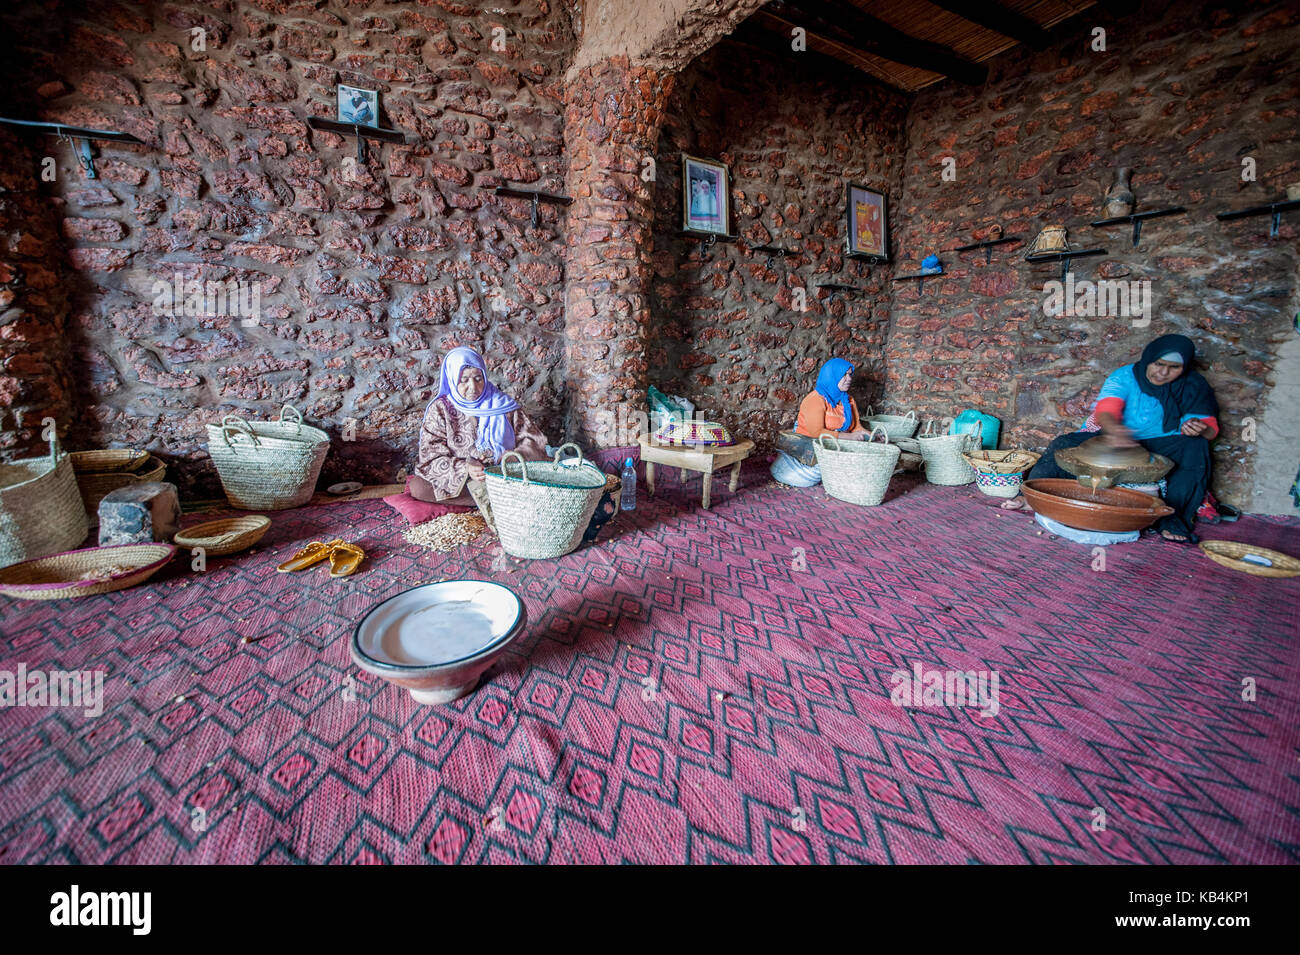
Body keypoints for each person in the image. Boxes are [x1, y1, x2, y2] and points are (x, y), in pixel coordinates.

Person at [1005, 334, 1219, 544]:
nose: (1163, 372)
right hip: (1116, 435)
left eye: (1174, 368)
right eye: (1158, 364)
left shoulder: (1193, 385)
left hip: (1165, 443)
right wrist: (1116, 431)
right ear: (1149, 358)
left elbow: (1210, 429)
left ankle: (1171, 519)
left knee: (1196, 447)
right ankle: (1031, 498)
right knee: (1064, 443)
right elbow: (1106, 410)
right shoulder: (1125, 377)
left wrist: (1199, 429)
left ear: (1184, 368)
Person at [412, 347, 549, 523]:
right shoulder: (440, 409)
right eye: (464, 380)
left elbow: (533, 439)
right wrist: (466, 469)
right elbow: (431, 453)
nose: (473, 387)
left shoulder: (502, 403)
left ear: (485, 376)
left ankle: (490, 496)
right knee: (419, 487)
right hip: (465, 477)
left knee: (536, 472)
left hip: (504, 473)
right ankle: (496, 497)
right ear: (452, 379)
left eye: (478, 379)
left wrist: (514, 457)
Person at [796, 357, 871, 440]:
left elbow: (855, 428)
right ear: (831, 376)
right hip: (809, 445)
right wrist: (848, 436)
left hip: (834, 445)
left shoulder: (848, 400)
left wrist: (869, 435)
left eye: (849, 374)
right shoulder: (815, 400)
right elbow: (816, 433)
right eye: (844, 375)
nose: (849, 378)